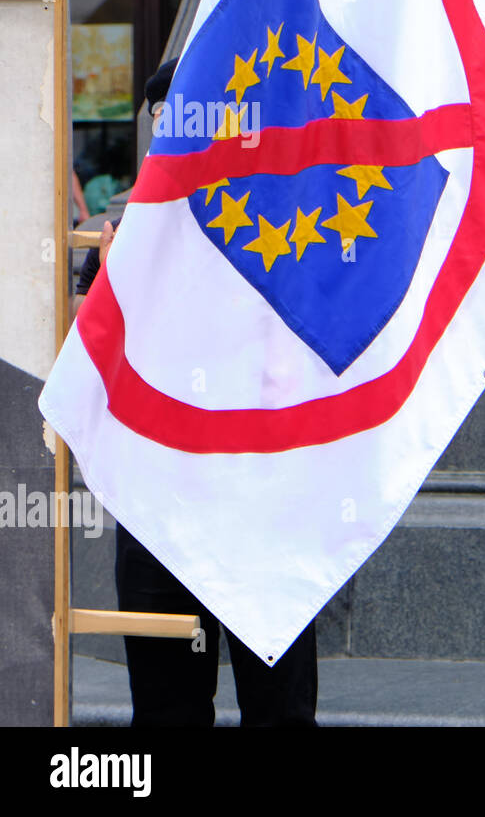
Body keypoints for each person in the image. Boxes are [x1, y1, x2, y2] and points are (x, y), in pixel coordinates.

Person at [77, 57, 317, 727]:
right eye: (161, 122)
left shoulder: (276, 213)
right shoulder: (125, 224)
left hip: (258, 490)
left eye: (185, 117)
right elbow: (88, 354)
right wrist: (109, 281)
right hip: (158, 494)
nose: (171, 134)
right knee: (165, 706)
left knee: (278, 706)